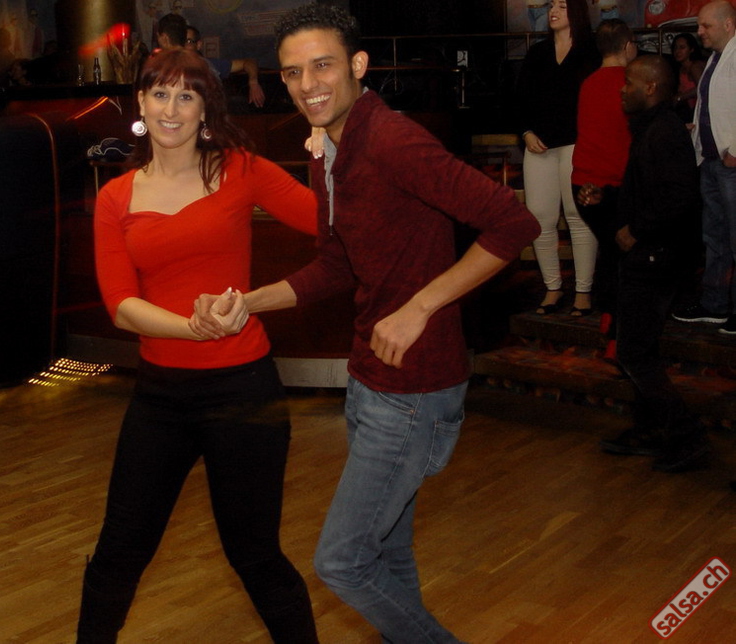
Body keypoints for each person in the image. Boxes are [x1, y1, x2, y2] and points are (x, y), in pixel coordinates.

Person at [193, 4, 539, 642]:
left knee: (344, 561)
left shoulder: (392, 140)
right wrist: (247, 301)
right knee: (387, 554)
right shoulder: (330, 147)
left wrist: (420, 307)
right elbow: (337, 264)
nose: (307, 85)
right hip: (370, 379)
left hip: (414, 388)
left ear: (357, 65)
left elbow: (513, 224)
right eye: (292, 73)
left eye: (322, 65)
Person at [76, 48, 319, 643]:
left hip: (244, 390)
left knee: (255, 556)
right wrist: (194, 326)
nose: (171, 109)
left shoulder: (241, 169)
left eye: (187, 95)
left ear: (205, 108)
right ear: (140, 102)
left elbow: (331, 223)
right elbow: (121, 305)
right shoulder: (116, 197)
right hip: (160, 397)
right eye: (160, 93)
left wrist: (333, 160)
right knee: (117, 553)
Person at [598, 55, 709, 472]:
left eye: (629, 82)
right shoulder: (651, 128)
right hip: (651, 253)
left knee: (634, 352)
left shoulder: (663, 132)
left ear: (649, 88)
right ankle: (649, 430)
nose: (622, 88)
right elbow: (649, 192)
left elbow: (680, 197)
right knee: (639, 348)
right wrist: (608, 198)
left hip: (657, 256)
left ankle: (686, 435)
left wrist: (637, 230)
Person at [516, 0, 600, 317]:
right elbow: (519, 98)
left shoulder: (591, 51)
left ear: (576, 11)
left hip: (578, 143)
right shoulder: (538, 52)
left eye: (562, 6)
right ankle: (553, 287)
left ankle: (583, 291)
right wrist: (525, 132)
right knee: (539, 218)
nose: (553, 10)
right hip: (539, 145)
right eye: (552, 5)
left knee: (578, 215)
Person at [573, 19, 637, 359]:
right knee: (625, 257)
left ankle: (608, 317)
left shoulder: (588, 83)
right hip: (614, 183)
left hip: (584, 183)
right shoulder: (630, 82)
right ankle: (617, 336)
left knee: (611, 252)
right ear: (627, 46)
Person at [672, 1, 736, 334]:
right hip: (712, 161)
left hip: (730, 163)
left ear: (727, 24)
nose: (700, 32)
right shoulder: (715, 58)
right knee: (715, 237)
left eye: (705, 26)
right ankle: (715, 304)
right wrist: (698, 133)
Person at [185, 25, 266, 107]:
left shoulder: (210, 65)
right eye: (181, 41)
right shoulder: (176, 71)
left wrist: (253, 83)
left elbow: (249, 62)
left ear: (198, 45)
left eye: (188, 41)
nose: (184, 46)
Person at [670, 32, 706, 123]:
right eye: (675, 48)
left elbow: (702, 88)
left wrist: (680, 97)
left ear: (691, 49)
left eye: (682, 47)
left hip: (701, 111)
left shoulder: (695, 66)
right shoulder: (681, 68)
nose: (677, 51)